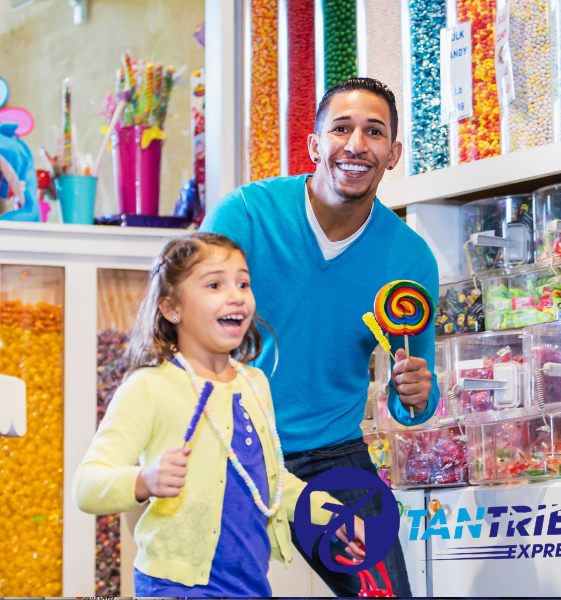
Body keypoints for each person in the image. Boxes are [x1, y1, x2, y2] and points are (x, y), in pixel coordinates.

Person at [200, 77, 440, 597]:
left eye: (374, 132)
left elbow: (416, 394)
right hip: (228, 446)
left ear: (393, 154)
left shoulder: (410, 259)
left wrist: (416, 395)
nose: (356, 144)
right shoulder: (245, 215)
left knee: (383, 594)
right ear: (313, 144)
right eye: (341, 128)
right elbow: (185, 332)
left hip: (330, 454)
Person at [72, 233, 366, 598]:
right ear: (171, 308)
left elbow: (273, 484)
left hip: (251, 587)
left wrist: (335, 515)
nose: (236, 295)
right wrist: (144, 480)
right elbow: (86, 486)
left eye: (243, 283)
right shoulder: (149, 387)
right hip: (174, 588)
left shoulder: (254, 383)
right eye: (215, 284)